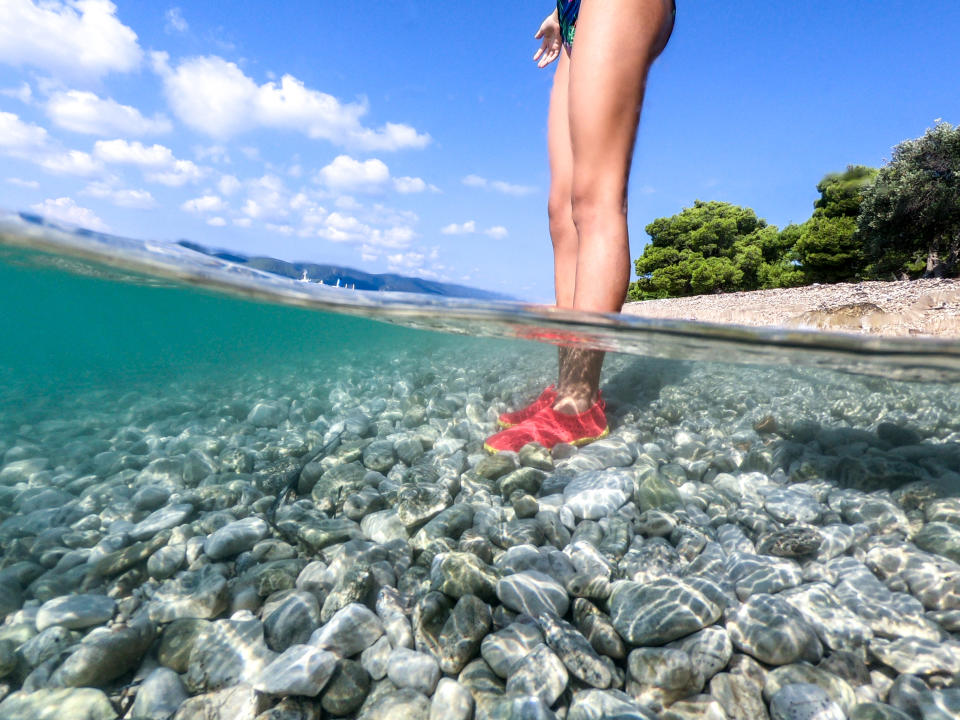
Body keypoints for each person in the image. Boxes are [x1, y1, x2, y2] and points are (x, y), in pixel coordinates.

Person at [485, 0, 676, 453]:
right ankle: (566, 388)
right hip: (570, 10)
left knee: (596, 196)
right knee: (561, 210)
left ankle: (580, 400)